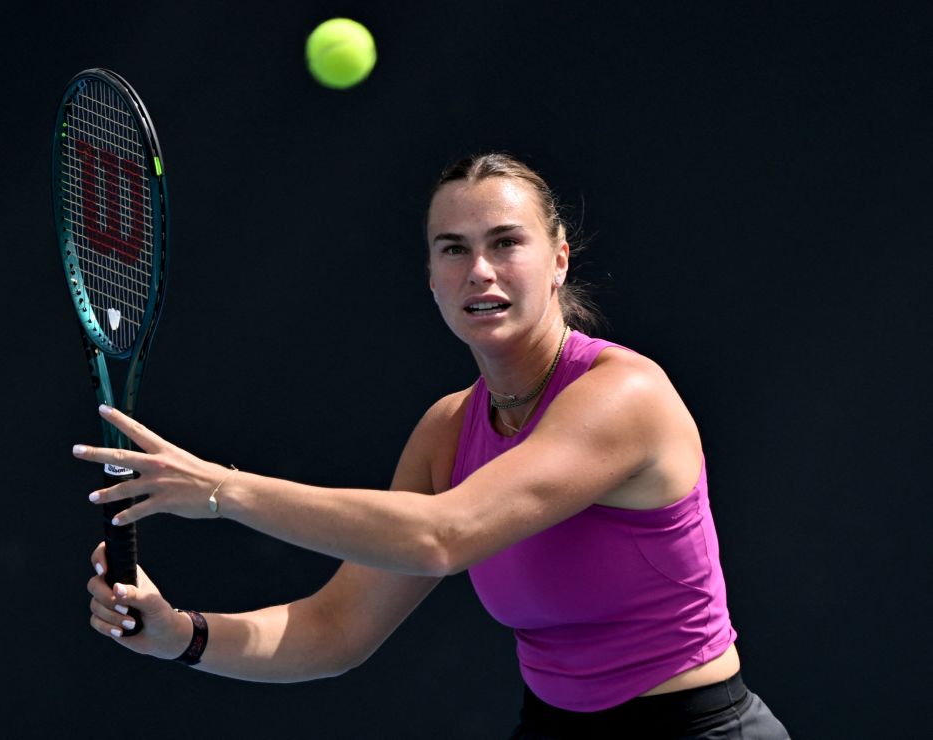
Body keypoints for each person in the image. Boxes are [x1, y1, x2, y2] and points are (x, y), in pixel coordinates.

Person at [77, 153, 790, 738]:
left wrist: (220, 490)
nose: (479, 269)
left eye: (507, 243)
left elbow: (442, 537)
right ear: (432, 278)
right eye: (454, 249)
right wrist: (184, 635)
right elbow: (335, 629)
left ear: (560, 261)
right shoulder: (448, 430)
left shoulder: (623, 395)